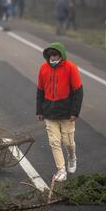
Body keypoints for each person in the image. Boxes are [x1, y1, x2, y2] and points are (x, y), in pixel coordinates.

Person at [36, 43, 83, 182]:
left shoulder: (71, 68)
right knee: (54, 142)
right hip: (49, 112)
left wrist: (75, 112)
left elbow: (78, 92)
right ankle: (61, 170)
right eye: (51, 55)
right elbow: (40, 91)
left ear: (61, 55)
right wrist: (39, 110)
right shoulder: (43, 68)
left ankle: (72, 157)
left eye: (56, 55)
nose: (53, 57)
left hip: (66, 113)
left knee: (67, 142)